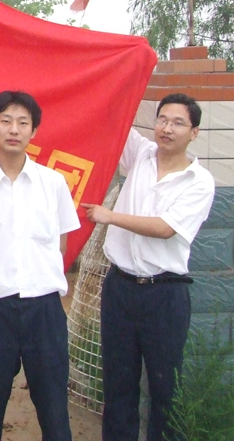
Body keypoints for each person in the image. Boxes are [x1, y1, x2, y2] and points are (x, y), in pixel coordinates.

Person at [83, 93, 215, 441]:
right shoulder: (140, 154)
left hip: (165, 295)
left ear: (194, 132)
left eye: (178, 123)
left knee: (165, 388)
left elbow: (165, 228)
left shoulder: (199, 181)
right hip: (120, 288)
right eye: (162, 120)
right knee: (118, 384)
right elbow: (113, 111)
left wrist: (110, 216)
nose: (167, 129)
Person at [0, 91, 80, 441]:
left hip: (45, 310)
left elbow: (61, 244)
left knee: (54, 410)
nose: (14, 129)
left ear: (34, 131)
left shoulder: (53, 183)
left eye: (23, 122)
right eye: (6, 121)